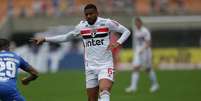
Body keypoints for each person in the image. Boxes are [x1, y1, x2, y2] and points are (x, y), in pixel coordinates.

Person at [31, 3, 130, 101]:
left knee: (104, 91)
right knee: (92, 99)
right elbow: (66, 37)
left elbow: (126, 31)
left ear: (96, 13)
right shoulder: (82, 26)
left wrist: (118, 42)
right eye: (86, 14)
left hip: (105, 65)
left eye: (91, 14)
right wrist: (45, 39)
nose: (88, 16)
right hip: (90, 68)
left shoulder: (107, 23)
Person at [125, 17, 159, 93]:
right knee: (135, 68)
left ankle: (155, 84)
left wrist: (143, 49)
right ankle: (133, 87)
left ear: (141, 23)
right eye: (135, 23)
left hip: (146, 52)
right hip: (138, 52)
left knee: (148, 69)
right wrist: (137, 50)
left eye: (137, 23)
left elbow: (149, 42)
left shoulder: (145, 31)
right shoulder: (136, 31)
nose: (136, 24)